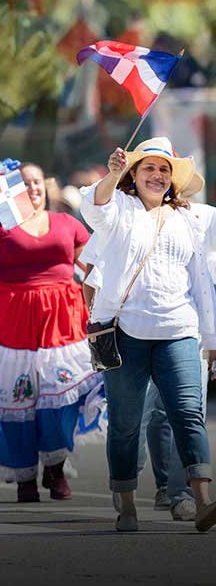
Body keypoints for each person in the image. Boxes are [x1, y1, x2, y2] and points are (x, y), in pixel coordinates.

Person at [84, 138, 216, 532]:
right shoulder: (120, 210)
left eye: (163, 170)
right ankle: (126, 503)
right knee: (125, 423)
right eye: (148, 169)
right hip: (126, 335)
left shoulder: (189, 220)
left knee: (189, 414)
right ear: (133, 176)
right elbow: (94, 206)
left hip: (179, 331)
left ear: (172, 179)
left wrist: (210, 341)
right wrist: (111, 174)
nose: (157, 176)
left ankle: (204, 501)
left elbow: (200, 285)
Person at [0, 161, 101, 503]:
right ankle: (25, 474)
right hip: (11, 327)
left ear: (47, 185)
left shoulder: (67, 223)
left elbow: (95, 271)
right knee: (17, 402)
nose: (33, 187)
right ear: (13, 189)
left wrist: (102, 310)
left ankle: (55, 467)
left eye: (38, 181)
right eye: (25, 182)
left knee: (61, 400)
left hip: (63, 325)